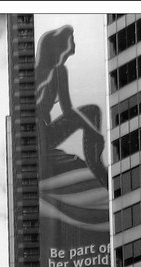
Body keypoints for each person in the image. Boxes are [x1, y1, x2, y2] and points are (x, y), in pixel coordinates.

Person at [36, 25, 107, 189]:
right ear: (60, 45)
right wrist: (92, 131)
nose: (73, 42)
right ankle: (96, 166)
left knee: (91, 112)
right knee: (91, 112)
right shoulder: (58, 70)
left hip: (43, 134)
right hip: (41, 135)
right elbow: (68, 110)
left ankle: (96, 164)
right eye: (71, 39)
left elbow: (67, 111)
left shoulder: (47, 71)